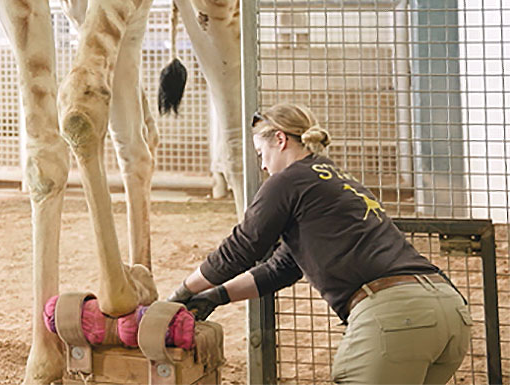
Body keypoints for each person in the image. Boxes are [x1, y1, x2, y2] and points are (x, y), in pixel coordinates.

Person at [167, 102, 472, 384]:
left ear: (280, 140)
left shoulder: (287, 181)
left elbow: (243, 246)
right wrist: (216, 296)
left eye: (261, 154)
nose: (262, 166)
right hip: (448, 312)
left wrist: (183, 291)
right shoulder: (337, 180)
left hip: (397, 319)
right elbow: (283, 267)